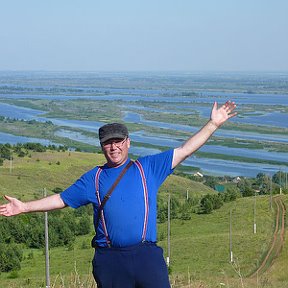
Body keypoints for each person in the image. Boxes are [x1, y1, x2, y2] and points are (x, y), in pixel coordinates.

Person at [0, 100, 236, 288]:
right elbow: (62, 199)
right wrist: (25, 207)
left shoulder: (148, 169)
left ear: (128, 143)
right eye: (108, 143)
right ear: (102, 147)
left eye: (118, 141)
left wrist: (213, 124)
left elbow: (185, 150)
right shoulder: (93, 178)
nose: (114, 147)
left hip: (147, 256)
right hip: (110, 259)